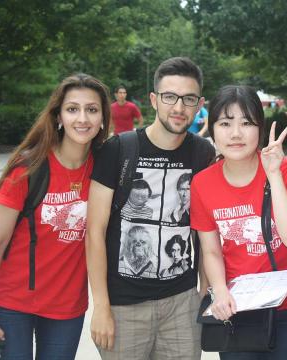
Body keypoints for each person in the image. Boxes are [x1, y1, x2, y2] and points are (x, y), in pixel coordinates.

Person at [0, 73, 111, 359]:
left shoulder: (104, 170)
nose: (82, 118)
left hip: (67, 308)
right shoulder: (28, 169)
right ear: (58, 116)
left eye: (91, 109)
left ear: (102, 119)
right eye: (72, 109)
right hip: (12, 304)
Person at [86, 57, 215, 359]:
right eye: (170, 97)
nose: (179, 108)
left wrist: (204, 293)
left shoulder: (203, 153)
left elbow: (208, 229)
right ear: (154, 99)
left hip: (182, 303)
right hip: (124, 306)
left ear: (200, 104)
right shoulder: (118, 149)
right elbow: (95, 232)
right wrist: (101, 307)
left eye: (189, 99)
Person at [190, 85, 287, 360]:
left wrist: (273, 175)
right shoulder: (202, 183)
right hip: (238, 306)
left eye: (246, 123)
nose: (236, 134)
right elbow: (210, 250)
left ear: (260, 128)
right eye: (225, 123)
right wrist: (220, 292)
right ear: (212, 129)